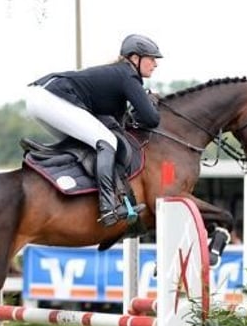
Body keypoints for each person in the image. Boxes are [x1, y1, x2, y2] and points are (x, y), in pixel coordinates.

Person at [26, 33, 162, 227]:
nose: (155, 64)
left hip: (39, 98)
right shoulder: (128, 75)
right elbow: (151, 119)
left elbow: (117, 121)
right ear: (135, 58)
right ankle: (109, 206)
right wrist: (150, 103)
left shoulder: (118, 75)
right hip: (50, 98)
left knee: (87, 144)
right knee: (107, 142)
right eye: (151, 58)